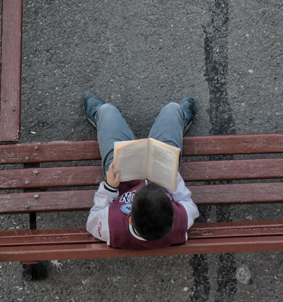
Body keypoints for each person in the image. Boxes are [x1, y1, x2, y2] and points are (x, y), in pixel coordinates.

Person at [83, 94, 199, 249]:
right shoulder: (182, 220)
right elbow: (187, 203)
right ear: (173, 215)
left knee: (107, 111)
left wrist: (110, 188)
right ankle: (180, 119)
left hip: (120, 176)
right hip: (161, 172)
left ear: (130, 219)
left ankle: (100, 115)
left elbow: (93, 219)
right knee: (172, 109)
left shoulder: (111, 227)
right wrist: (172, 176)